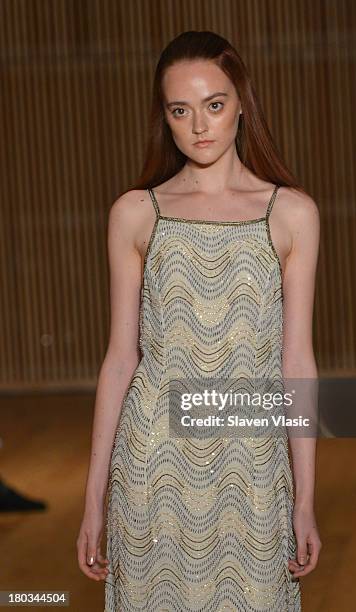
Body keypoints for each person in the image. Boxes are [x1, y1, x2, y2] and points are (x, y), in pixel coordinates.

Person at [77, 30, 321, 611]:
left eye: (215, 104)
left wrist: (306, 495)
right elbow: (119, 360)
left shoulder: (291, 213)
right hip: (151, 465)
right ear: (165, 117)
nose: (200, 125)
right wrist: (94, 499)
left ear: (241, 102)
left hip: (254, 467)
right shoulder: (137, 213)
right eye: (180, 110)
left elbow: (297, 361)